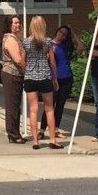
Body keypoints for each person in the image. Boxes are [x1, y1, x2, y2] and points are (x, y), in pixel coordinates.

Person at [22, 16, 62, 149]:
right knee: (49, 109)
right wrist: (55, 79)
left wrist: (27, 70)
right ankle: (52, 139)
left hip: (30, 77)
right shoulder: (48, 42)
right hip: (45, 76)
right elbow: (52, 62)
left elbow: (23, 61)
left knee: (33, 110)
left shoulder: (26, 42)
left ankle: (35, 141)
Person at [40, 25, 75, 137]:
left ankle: (55, 129)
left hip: (66, 78)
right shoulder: (49, 44)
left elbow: (81, 47)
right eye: (60, 32)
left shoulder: (66, 46)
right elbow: (43, 59)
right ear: (57, 31)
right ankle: (41, 130)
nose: (61, 35)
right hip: (53, 78)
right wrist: (49, 53)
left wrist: (72, 32)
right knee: (49, 105)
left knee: (60, 105)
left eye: (65, 34)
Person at [0, 15, 27, 143]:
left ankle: (15, 133)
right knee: (12, 105)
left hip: (17, 75)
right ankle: (13, 134)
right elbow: (18, 59)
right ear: (9, 25)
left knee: (16, 105)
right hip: (11, 74)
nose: (18, 25)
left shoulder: (15, 38)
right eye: (15, 23)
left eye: (18, 23)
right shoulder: (10, 39)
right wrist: (28, 69)